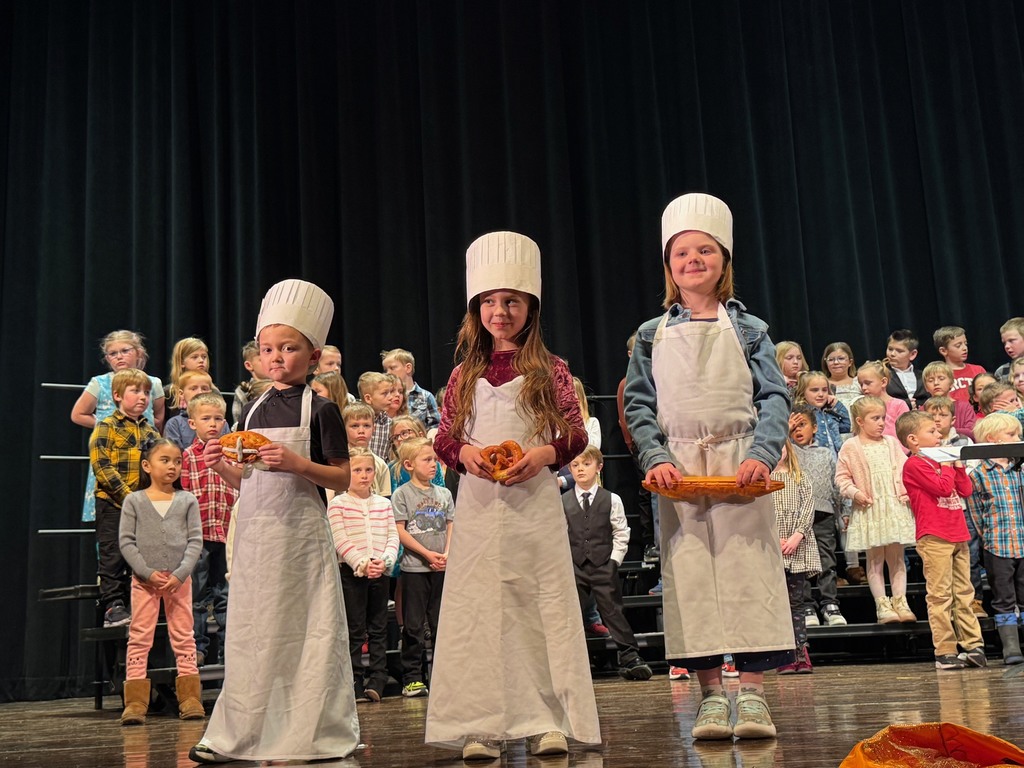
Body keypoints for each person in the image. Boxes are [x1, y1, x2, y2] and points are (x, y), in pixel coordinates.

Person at [625, 193, 793, 741]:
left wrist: (760, 455)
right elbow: (639, 405)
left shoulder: (751, 330)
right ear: (669, 267)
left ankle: (752, 694)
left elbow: (773, 396)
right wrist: (655, 458)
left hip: (741, 464)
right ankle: (711, 698)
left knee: (750, 575)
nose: (693, 260)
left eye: (705, 250)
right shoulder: (650, 335)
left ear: (723, 261)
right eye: (682, 254)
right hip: (679, 471)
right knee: (691, 578)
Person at [428, 230, 600, 759]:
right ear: (476, 309)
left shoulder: (552, 369)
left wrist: (544, 456)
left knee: (540, 604)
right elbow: (443, 436)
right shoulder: (464, 373)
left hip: (533, 504)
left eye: (511, 302)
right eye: (489, 303)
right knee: (478, 609)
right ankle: (481, 723)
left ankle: (545, 719)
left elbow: (575, 432)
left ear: (531, 308)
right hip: (479, 506)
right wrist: (465, 455)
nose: (499, 312)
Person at [189, 279, 358, 764]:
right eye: (268, 349)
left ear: (312, 354)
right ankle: (238, 734)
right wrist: (217, 460)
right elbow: (247, 479)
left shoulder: (322, 409)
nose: (277, 358)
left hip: (301, 535)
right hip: (257, 534)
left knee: (306, 632)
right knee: (253, 632)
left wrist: (297, 464)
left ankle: (307, 731)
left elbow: (343, 478)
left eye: (289, 348)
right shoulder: (252, 407)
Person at [117, 438, 204, 725]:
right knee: (140, 636)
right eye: (165, 460)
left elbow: (195, 541)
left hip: (178, 580)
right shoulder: (135, 501)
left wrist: (180, 574)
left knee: (183, 635)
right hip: (146, 581)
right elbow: (127, 542)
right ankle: (135, 702)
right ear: (147, 465)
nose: (172, 466)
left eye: (177, 461)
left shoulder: (187, 500)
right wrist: (146, 572)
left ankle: (190, 698)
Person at [897, 411, 985, 670]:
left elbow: (966, 490)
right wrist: (947, 466)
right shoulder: (915, 464)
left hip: (958, 533)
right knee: (940, 596)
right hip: (935, 536)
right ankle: (945, 650)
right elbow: (943, 489)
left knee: (964, 593)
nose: (939, 435)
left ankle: (973, 645)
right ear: (913, 440)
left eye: (939, 432)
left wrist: (958, 467)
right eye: (932, 432)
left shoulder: (941, 462)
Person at [562, 445, 652, 681]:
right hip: (575, 566)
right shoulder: (563, 501)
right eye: (575, 465)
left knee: (613, 611)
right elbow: (558, 535)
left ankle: (631, 657)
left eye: (586, 464)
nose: (580, 469)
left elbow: (621, 532)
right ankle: (568, 663)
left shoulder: (611, 499)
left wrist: (613, 562)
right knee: (570, 613)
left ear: (599, 467)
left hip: (603, 564)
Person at [89, 368, 162, 628]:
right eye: (135, 391)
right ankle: (113, 606)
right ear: (118, 395)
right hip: (113, 503)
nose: (142, 397)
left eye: (146, 392)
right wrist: (129, 497)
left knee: (141, 556)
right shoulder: (106, 427)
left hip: (143, 506)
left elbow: (159, 467)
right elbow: (102, 467)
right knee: (112, 555)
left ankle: (141, 605)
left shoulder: (152, 432)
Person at [835, 397, 917, 624]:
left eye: (883, 417)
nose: (881, 422)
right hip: (870, 507)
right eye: (875, 418)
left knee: (897, 558)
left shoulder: (891, 443)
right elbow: (841, 478)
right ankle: (882, 604)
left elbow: (905, 470)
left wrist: (905, 493)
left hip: (893, 505)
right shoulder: (851, 446)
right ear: (860, 421)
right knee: (875, 559)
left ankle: (900, 601)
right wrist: (855, 493)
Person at [327, 447, 399, 703]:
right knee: (355, 629)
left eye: (368, 470)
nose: (364, 475)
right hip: (352, 573)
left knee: (378, 627)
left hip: (379, 571)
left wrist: (385, 560)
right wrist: (361, 562)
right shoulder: (338, 504)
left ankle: (378, 679)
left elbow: (392, 536)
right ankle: (354, 679)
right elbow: (339, 539)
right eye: (357, 470)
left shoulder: (383, 504)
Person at [72, 330, 165, 523]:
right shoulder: (101, 383)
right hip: (112, 455)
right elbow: (78, 414)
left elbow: (158, 416)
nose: (119, 356)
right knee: (111, 520)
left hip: (142, 454)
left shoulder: (153, 383)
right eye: (113, 353)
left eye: (125, 350)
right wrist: (109, 425)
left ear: (138, 353)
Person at [391, 437, 454, 698]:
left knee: (442, 624)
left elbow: (451, 524)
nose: (434, 464)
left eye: (435, 460)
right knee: (415, 626)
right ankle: (413, 679)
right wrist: (427, 553)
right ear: (409, 464)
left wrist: (447, 553)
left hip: (442, 569)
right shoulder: (402, 494)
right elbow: (400, 531)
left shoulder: (444, 494)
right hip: (415, 569)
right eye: (427, 460)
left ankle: (442, 677)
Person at [180, 392, 237, 666]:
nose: (212, 424)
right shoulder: (188, 456)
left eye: (217, 419)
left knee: (226, 595)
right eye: (206, 419)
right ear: (193, 423)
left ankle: (229, 651)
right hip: (199, 537)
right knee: (197, 595)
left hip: (226, 534)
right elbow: (184, 497)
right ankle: (198, 649)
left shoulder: (231, 454)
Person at [965, 413, 1024, 665]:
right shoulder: (979, 474)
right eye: (1012, 435)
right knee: (1003, 598)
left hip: (1022, 542)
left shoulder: (1019, 469)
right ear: (993, 439)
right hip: (997, 545)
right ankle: (1011, 647)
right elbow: (976, 513)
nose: (1018, 439)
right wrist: (988, 537)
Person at [788, 405, 846, 627]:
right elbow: (777, 450)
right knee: (800, 562)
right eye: (793, 426)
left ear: (814, 427)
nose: (797, 429)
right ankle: (806, 605)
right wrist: (785, 432)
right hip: (797, 515)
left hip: (823, 513)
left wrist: (844, 511)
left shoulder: (825, 453)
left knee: (826, 559)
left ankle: (830, 604)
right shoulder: (789, 453)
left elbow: (836, 483)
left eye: (802, 424)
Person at [770, 442, 819, 675]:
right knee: (778, 604)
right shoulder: (764, 480)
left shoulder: (800, 478)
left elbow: (808, 508)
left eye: (781, 447)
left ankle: (801, 650)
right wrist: (774, 537)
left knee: (796, 602)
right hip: (772, 548)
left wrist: (797, 535)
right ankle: (784, 653)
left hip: (797, 547)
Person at [616, 333, 659, 566]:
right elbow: (626, 419)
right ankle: (651, 542)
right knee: (647, 493)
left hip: (662, 445)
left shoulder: (659, 378)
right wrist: (634, 444)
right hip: (643, 447)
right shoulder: (627, 383)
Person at [164, 370, 229, 450]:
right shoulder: (174, 424)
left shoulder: (222, 423)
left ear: (211, 392)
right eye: (193, 389)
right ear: (181, 394)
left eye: (204, 389)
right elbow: (173, 454)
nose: (200, 392)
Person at [382, 348, 441, 432]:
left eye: (392, 368)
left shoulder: (425, 396)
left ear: (408, 368)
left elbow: (435, 426)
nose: (388, 373)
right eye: (385, 370)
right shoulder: (385, 396)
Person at [342, 402, 392, 499]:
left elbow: (385, 498)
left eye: (366, 425)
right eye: (355, 426)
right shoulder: (339, 462)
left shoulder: (380, 464)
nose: (361, 431)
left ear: (374, 428)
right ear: (344, 429)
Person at [793, 371, 850, 452]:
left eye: (824, 390)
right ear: (803, 393)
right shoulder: (801, 415)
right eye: (815, 390)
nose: (821, 394)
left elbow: (847, 426)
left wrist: (837, 405)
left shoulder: (830, 413)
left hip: (835, 459)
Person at [387, 415, 445, 491]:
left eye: (404, 433)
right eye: (395, 437)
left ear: (420, 435)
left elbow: (441, 494)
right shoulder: (392, 468)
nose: (399, 439)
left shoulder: (433, 464)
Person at [922, 361, 977, 440]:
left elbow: (972, 432)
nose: (936, 383)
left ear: (951, 383)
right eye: (930, 380)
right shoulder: (923, 409)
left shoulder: (964, 406)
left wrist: (946, 430)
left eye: (941, 379)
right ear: (926, 387)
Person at [932, 326, 986, 404]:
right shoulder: (939, 374)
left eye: (965, 344)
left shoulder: (978, 370)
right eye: (958, 346)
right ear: (943, 351)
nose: (965, 348)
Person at [856, 361, 909, 439]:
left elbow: (906, 434)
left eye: (868, 383)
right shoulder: (861, 407)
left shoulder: (899, 405)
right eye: (861, 384)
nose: (863, 388)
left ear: (883, 382)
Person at [164, 337, 212, 425]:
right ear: (181, 362)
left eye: (204, 357)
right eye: (195, 357)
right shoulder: (169, 393)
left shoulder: (213, 390)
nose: (201, 360)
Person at [885, 330, 928, 410]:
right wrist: (906, 404)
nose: (892, 354)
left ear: (912, 354)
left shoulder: (923, 376)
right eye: (890, 349)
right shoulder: (881, 374)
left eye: (899, 351)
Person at [357, 371, 394, 459]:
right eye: (385, 393)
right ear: (368, 398)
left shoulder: (389, 424)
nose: (391, 397)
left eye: (390, 392)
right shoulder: (353, 420)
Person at [232, 341, 266, 427]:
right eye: (262, 360)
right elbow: (238, 422)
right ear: (249, 365)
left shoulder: (282, 386)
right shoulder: (242, 391)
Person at [821, 342, 862, 413]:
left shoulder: (859, 382)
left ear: (850, 362)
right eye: (831, 360)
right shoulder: (821, 384)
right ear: (826, 363)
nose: (836, 362)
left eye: (841, 358)